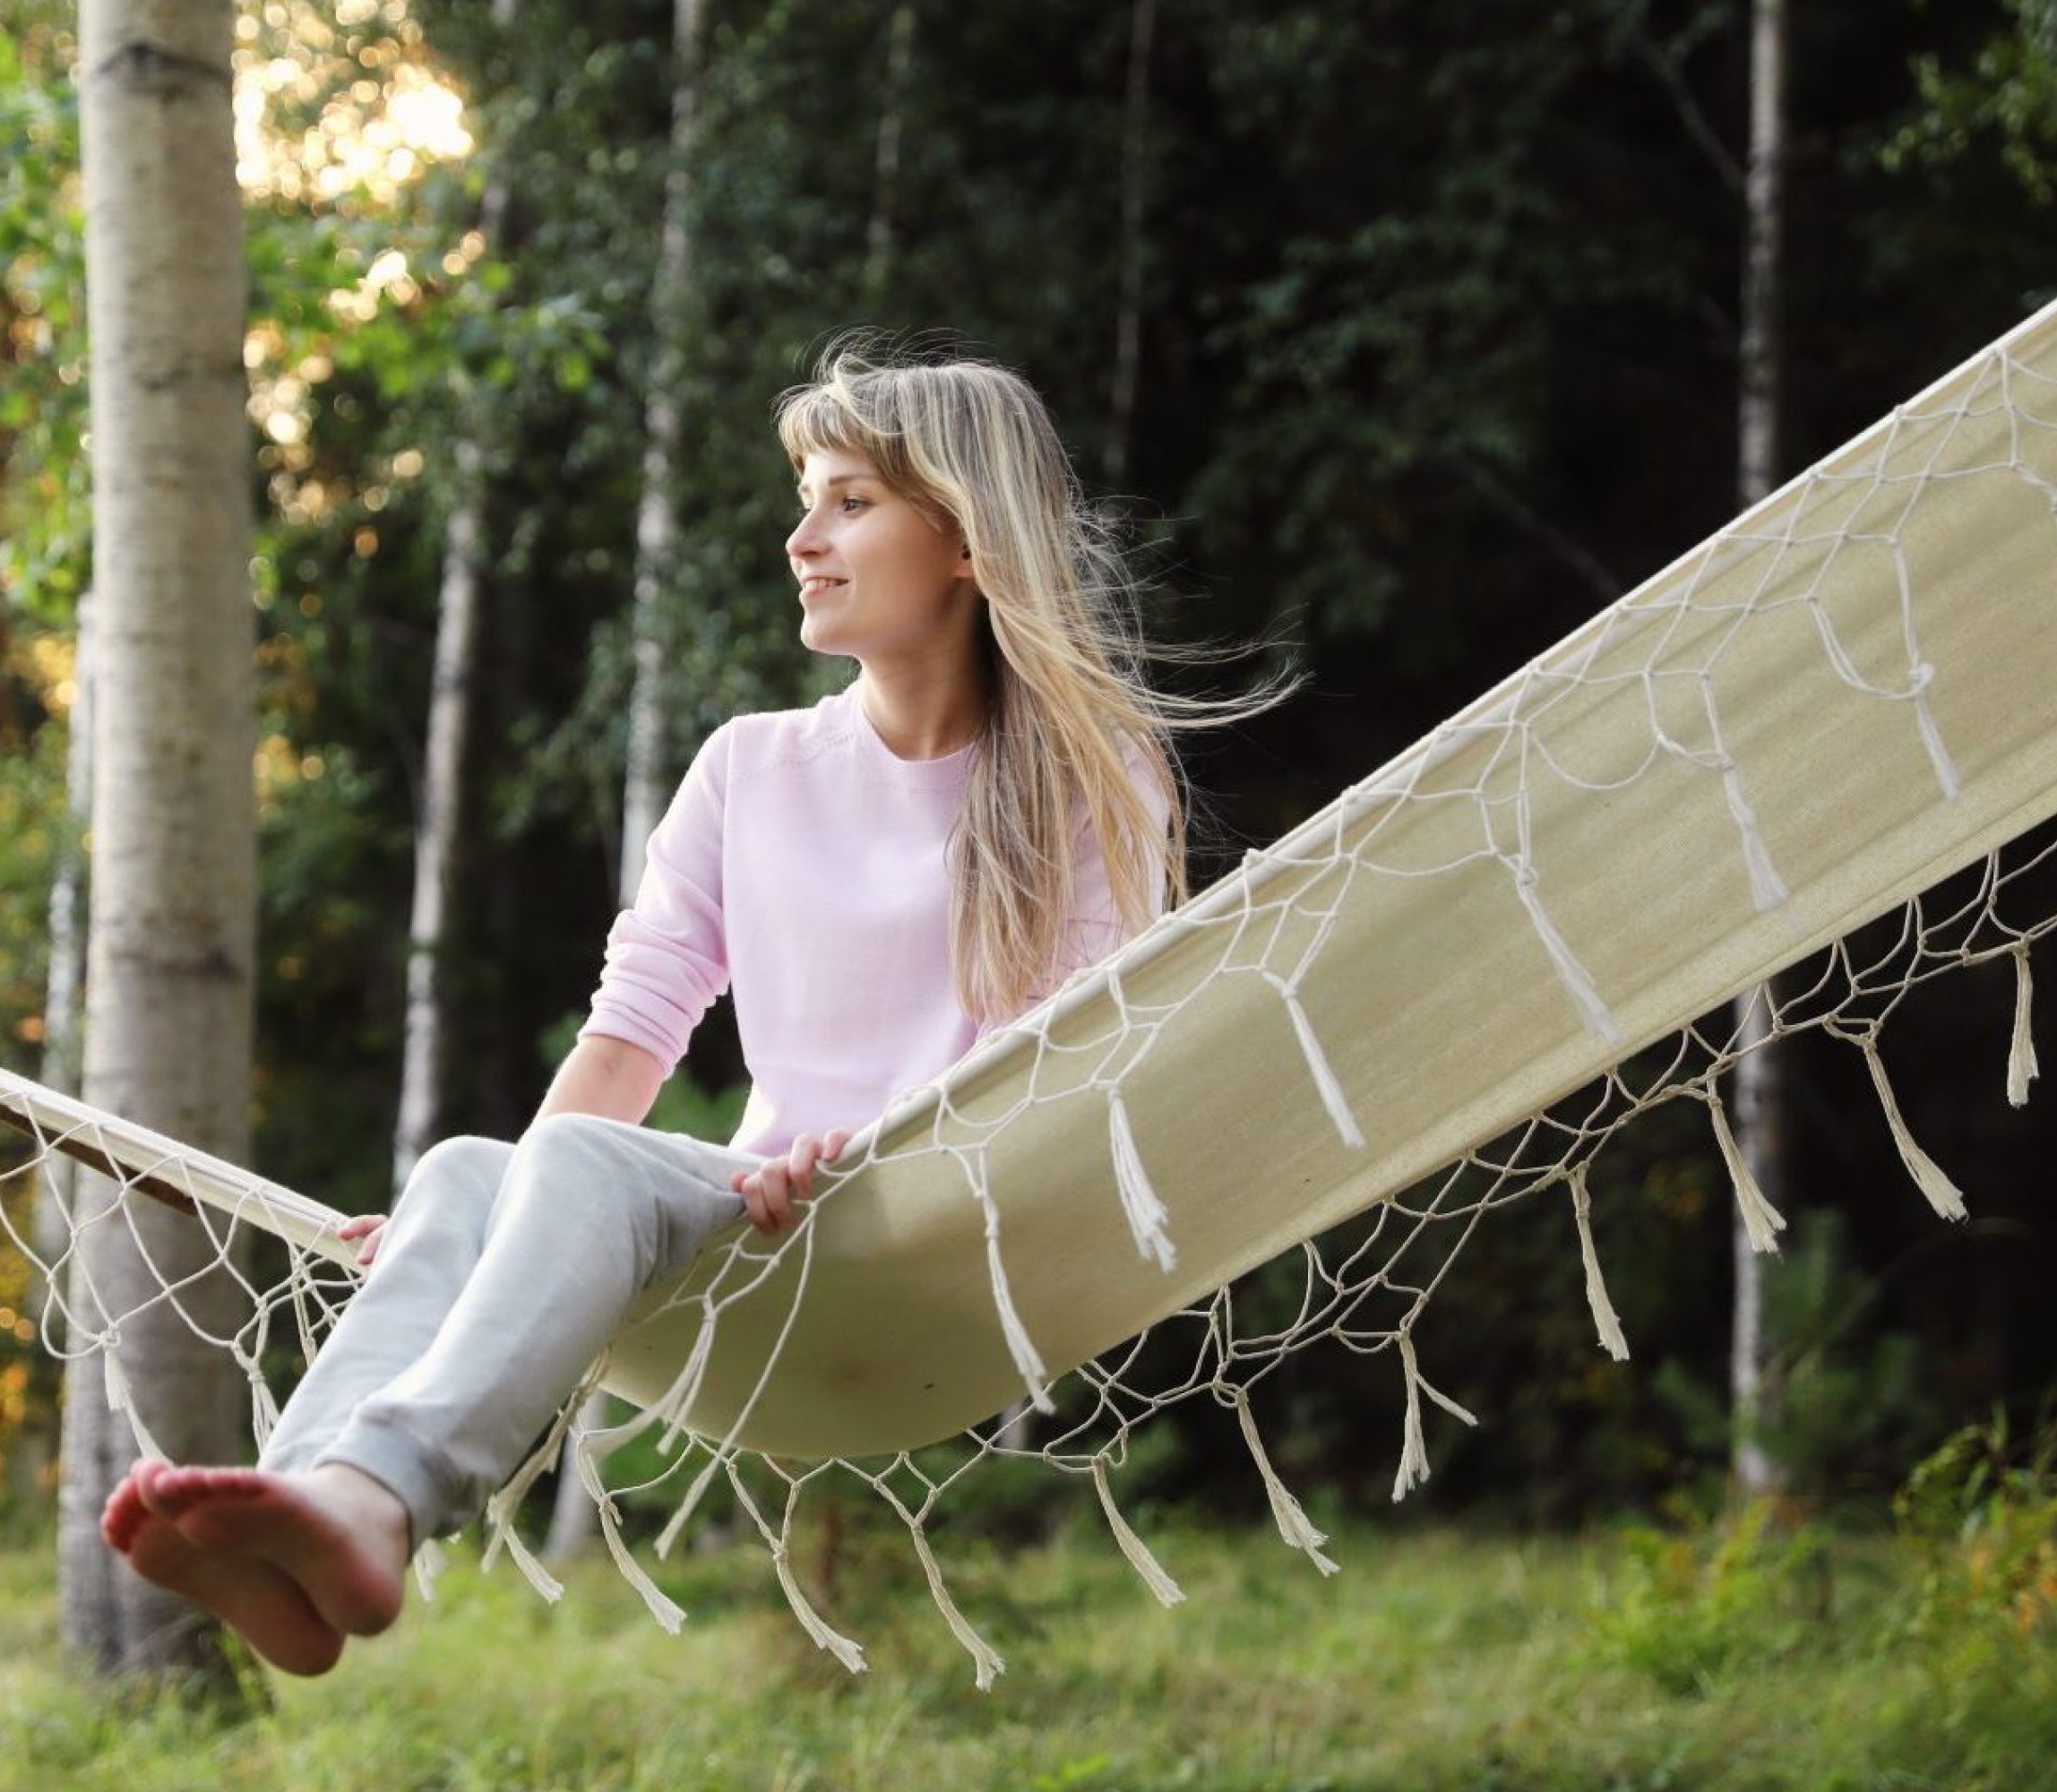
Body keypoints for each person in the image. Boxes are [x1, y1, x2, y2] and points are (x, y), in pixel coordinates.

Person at [99, 341, 1279, 1675]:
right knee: (464, 1170)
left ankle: (374, 1497)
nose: (802, 539)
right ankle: (313, 1513)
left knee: (567, 1165)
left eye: (848, 502)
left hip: (932, 1227)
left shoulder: (1091, 773)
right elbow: (632, 1031)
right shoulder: (750, 768)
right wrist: (478, 1226)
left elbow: (1073, 1064)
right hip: (756, 1216)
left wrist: (873, 1155)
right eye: (806, 501)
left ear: (962, 537)